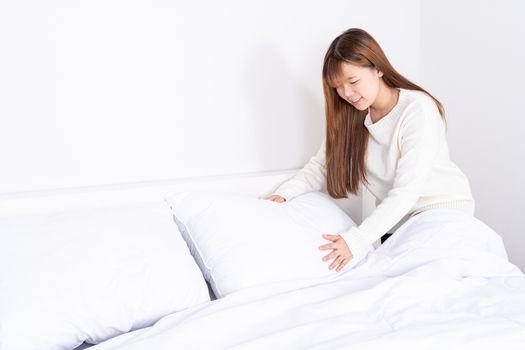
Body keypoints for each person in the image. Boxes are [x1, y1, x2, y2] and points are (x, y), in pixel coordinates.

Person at [264, 28, 475, 273]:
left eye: (353, 82)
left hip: (440, 213)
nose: (346, 94)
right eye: (338, 87)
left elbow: (407, 191)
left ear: (378, 68)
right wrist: (282, 196)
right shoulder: (352, 117)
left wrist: (354, 241)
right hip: (398, 225)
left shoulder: (417, 109)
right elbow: (320, 167)